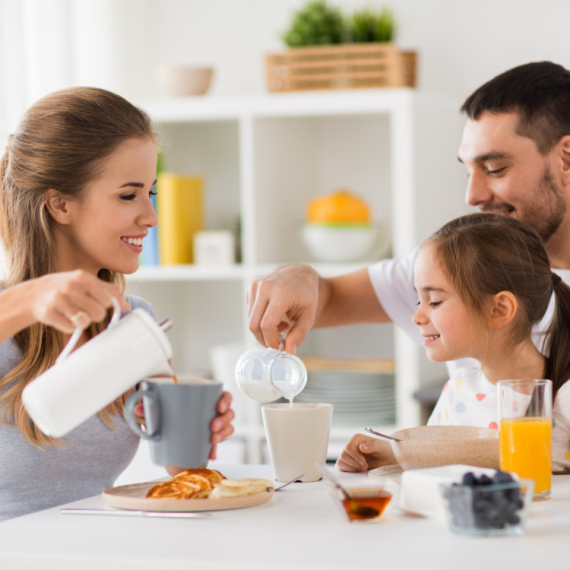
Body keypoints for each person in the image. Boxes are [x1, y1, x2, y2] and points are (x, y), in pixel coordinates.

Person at [0, 86, 234, 520]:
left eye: (151, 193)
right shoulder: (8, 317)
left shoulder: (133, 322)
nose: (151, 217)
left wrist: (196, 432)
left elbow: (182, 470)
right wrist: (26, 302)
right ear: (60, 204)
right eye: (129, 195)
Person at [246, 61, 570, 367]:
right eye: (468, 172)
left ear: (566, 158)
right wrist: (301, 277)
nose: (472, 196)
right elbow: (326, 302)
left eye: (495, 169)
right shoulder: (453, 267)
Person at [337, 213, 570, 472]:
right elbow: (439, 465)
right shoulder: (457, 393)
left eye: (434, 301)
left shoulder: (564, 397)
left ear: (499, 309)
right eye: (418, 300)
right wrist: (392, 455)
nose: (417, 317)